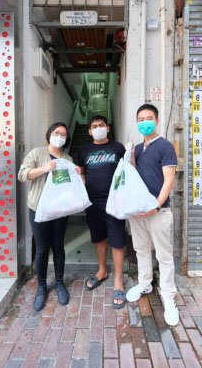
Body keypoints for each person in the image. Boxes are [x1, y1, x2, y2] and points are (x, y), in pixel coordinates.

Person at [18, 122, 81, 311]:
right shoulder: (38, 153)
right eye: (56, 132)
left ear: (66, 138)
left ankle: (60, 282)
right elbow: (23, 174)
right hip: (38, 209)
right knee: (42, 249)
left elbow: (70, 185)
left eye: (63, 134)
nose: (60, 136)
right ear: (49, 134)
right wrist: (44, 169)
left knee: (59, 247)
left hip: (60, 210)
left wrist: (77, 174)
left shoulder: (68, 158)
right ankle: (42, 287)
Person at [126, 104, 179, 326]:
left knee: (164, 255)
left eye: (149, 118)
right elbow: (133, 175)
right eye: (140, 119)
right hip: (138, 212)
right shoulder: (138, 148)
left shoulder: (165, 146)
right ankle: (145, 283)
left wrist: (156, 206)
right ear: (137, 122)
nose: (144, 122)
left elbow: (168, 180)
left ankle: (168, 296)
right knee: (141, 250)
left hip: (159, 211)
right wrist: (129, 156)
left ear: (157, 121)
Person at [79, 115, 127, 309]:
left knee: (117, 240)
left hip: (114, 201)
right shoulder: (84, 150)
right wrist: (82, 178)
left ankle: (118, 280)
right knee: (100, 239)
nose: (98, 128)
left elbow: (126, 171)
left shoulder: (118, 148)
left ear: (107, 128)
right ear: (90, 131)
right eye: (94, 126)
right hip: (93, 202)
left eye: (101, 125)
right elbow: (81, 171)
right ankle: (102, 271)